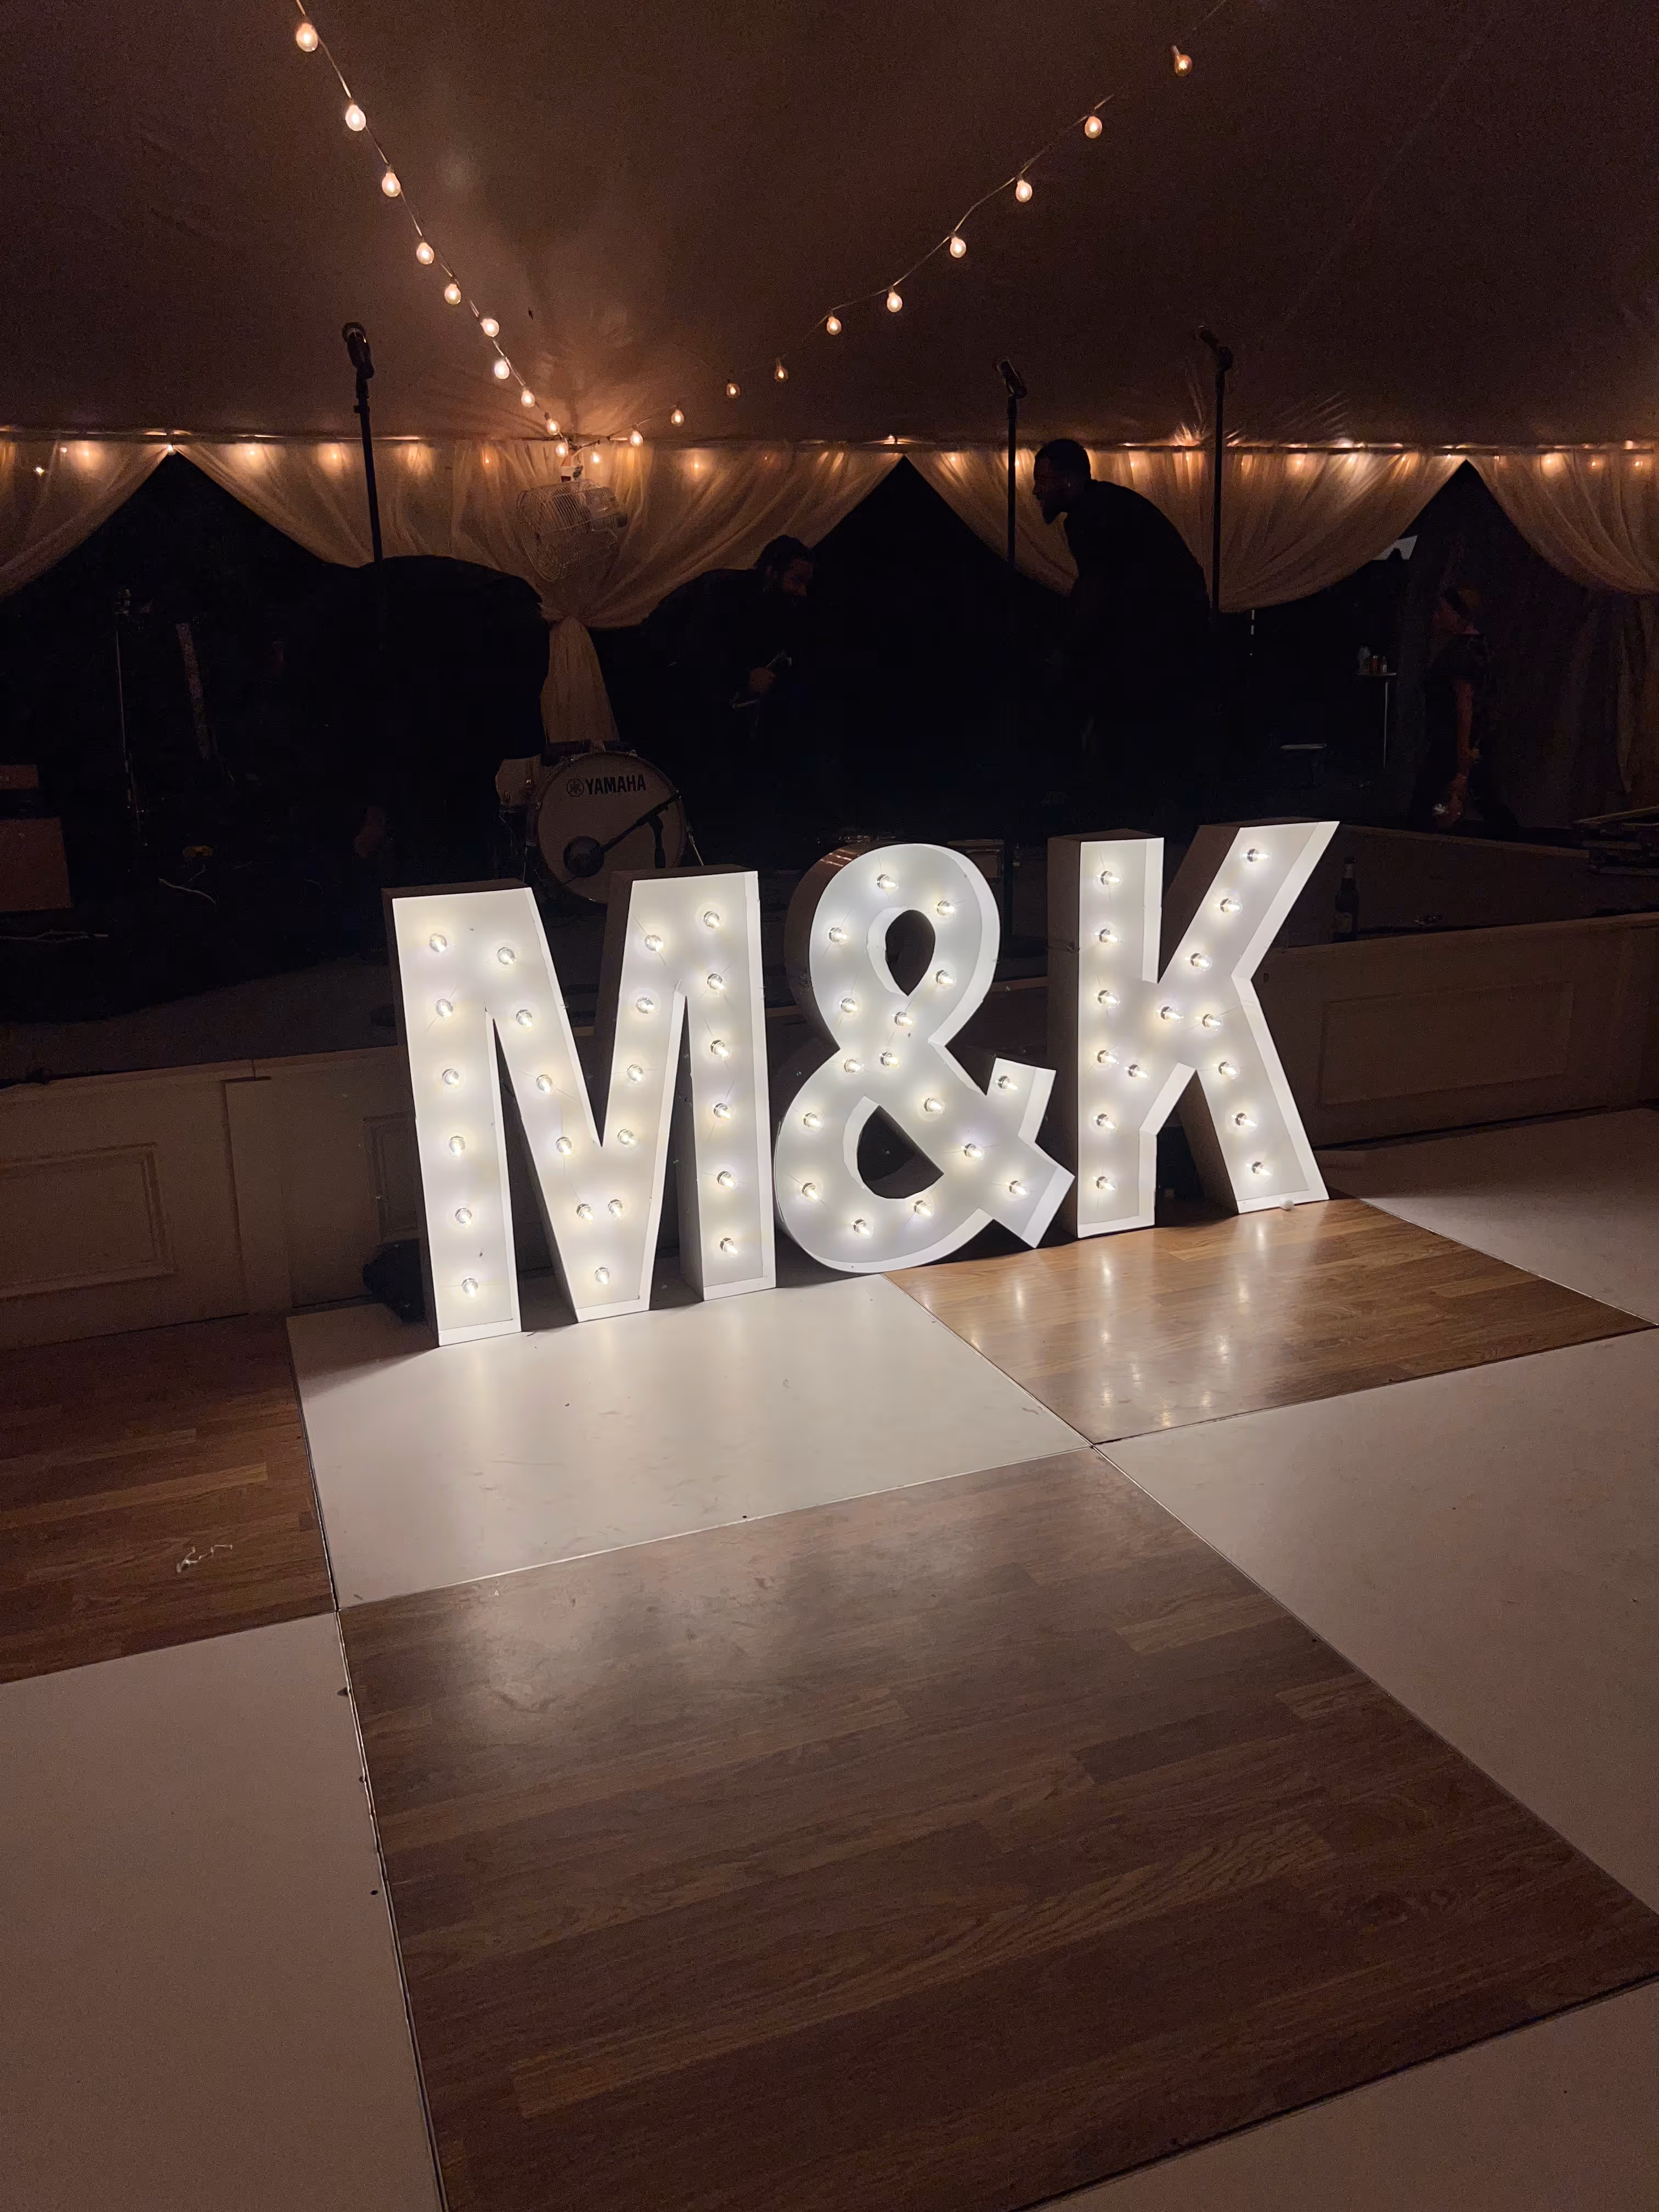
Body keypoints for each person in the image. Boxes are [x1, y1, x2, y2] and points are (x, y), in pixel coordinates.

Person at [1031, 438, 1210, 827]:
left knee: (1124, 718)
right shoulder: (1104, 508)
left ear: (1070, 479)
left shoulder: (1090, 518)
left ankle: (1124, 811)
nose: (1037, 490)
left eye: (1044, 479)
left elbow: (1099, 588)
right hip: (1167, 630)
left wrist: (1069, 646)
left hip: (1160, 632)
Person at [648, 536, 819, 858]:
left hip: (716, 703)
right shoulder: (724, 591)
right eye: (796, 580)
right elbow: (692, 653)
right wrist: (744, 677)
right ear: (771, 571)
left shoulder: (772, 605)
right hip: (676, 699)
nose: (801, 592)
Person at [1409, 585, 1509, 832]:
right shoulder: (1479, 646)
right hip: (1473, 736)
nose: (1436, 616)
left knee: (1426, 799)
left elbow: (1464, 702)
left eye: (1441, 610)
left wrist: (1463, 749)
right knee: (1485, 797)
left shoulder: (1461, 652)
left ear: (1458, 613)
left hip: (1454, 737)